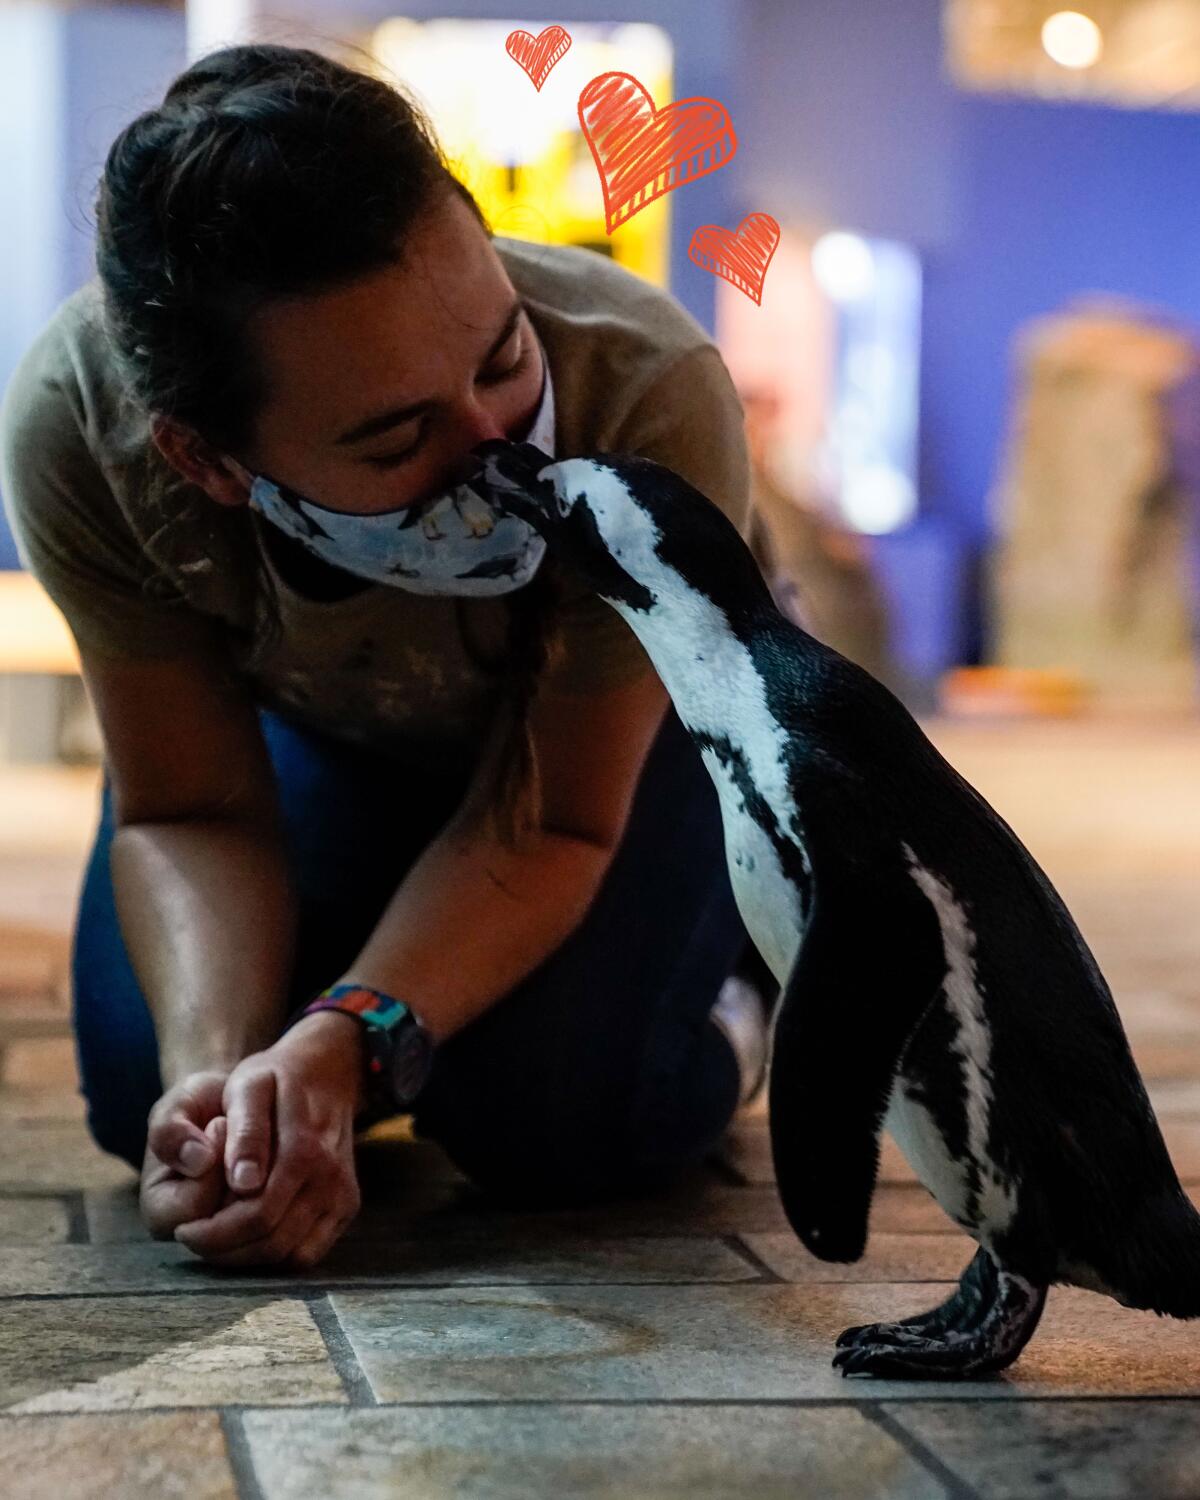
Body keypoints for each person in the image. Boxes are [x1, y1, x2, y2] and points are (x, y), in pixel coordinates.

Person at [0, 43, 775, 1271]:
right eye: (398, 436)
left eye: (504, 359)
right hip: (339, 732)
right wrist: (237, 1095)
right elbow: (191, 804)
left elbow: (559, 823)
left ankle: (742, 990)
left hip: (637, 744)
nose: (501, 455)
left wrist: (351, 1033)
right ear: (208, 462)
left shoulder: (648, 391)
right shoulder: (80, 433)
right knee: (139, 1100)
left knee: (546, 1119)